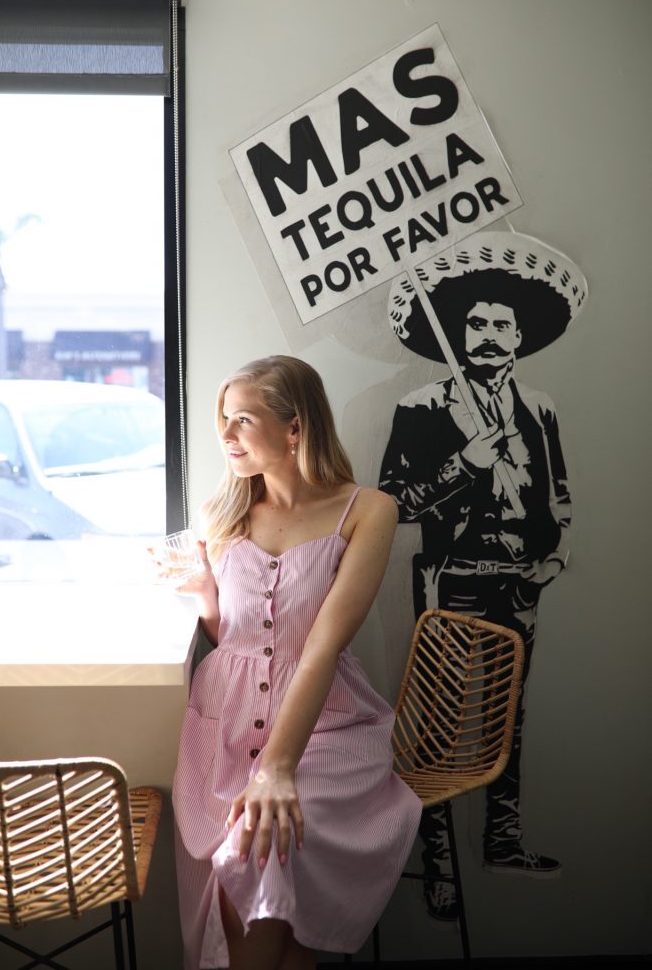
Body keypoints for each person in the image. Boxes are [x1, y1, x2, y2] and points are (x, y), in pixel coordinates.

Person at [170, 355, 422, 970]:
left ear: (295, 428)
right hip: (226, 721)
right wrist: (206, 595)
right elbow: (234, 637)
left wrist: (277, 768)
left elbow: (320, 647)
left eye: (243, 420)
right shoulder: (220, 515)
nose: (225, 436)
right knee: (263, 857)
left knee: (259, 845)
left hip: (327, 723)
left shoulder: (367, 511)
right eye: (223, 420)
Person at [379, 232, 586, 923]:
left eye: (501, 325)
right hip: (450, 582)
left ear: (519, 337)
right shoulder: (419, 409)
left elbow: (557, 495)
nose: (489, 335)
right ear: (459, 335)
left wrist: (548, 561)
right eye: (476, 324)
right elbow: (394, 503)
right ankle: (438, 867)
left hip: (517, 583)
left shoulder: (541, 407)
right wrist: (464, 462)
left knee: (509, 721)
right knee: (439, 727)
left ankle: (502, 840)